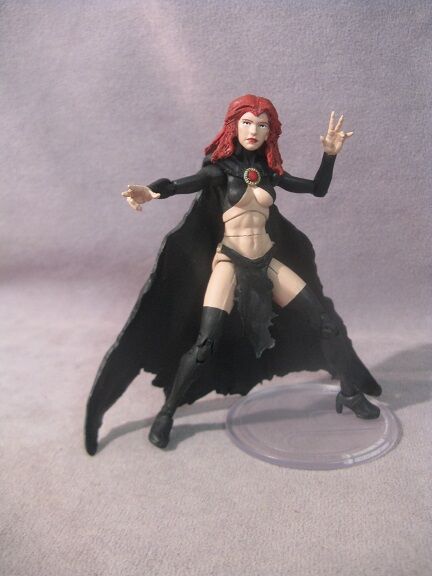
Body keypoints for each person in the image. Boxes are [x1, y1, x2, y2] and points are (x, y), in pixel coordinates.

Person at [85, 94, 381, 454]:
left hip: (266, 261)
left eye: (261, 124)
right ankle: (167, 413)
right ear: (233, 126)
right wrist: (150, 191)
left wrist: (329, 155)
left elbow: (318, 189)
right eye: (246, 122)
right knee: (205, 343)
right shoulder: (220, 171)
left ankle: (349, 392)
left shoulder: (270, 173)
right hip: (230, 260)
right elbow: (181, 184)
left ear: (270, 131)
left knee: (326, 324)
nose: (253, 130)